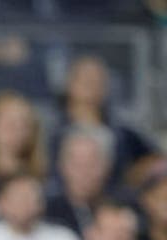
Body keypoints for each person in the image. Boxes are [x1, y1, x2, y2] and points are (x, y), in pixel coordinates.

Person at [50, 56, 158, 192]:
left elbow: (156, 158)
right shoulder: (54, 130)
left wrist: (130, 180)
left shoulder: (121, 131)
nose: (91, 84)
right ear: (70, 83)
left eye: (97, 79)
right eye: (86, 78)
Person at [44, 128, 111, 236]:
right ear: (62, 167)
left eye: (92, 164)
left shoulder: (123, 209)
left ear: (106, 166)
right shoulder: (47, 212)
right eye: (77, 164)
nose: (85, 172)